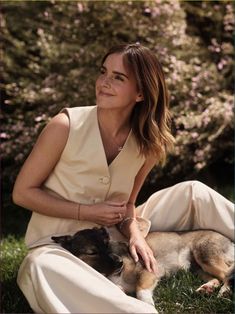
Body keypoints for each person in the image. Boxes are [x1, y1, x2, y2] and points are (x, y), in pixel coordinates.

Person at [13, 43, 234, 314]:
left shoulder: (149, 143)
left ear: (140, 92)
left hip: (116, 235)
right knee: (39, 267)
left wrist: (136, 237)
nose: (104, 82)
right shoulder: (65, 125)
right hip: (59, 246)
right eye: (103, 72)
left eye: (118, 77)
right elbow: (22, 193)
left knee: (193, 191)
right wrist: (86, 211)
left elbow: (128, 206)